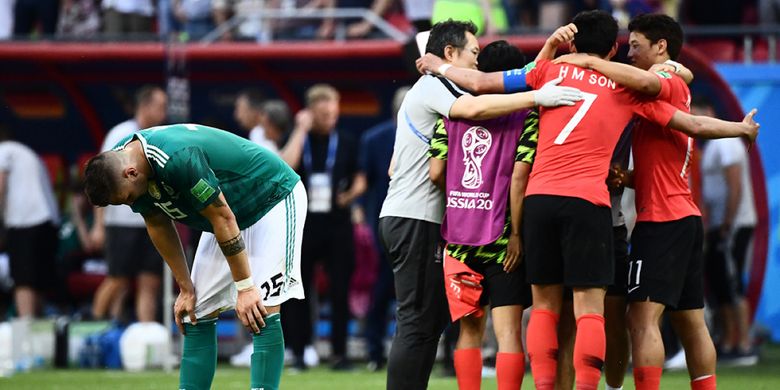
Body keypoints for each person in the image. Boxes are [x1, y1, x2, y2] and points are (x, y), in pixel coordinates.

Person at [417, 11, 759, 390]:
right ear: (613, 48)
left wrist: (438, 67)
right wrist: (738, 128)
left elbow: (480, 81)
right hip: (589, 203)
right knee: (590, 312)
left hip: (540, 200)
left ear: (574, 44)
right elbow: (688, 122)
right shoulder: (624, 88)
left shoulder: (547, 72)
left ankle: (546, 385)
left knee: (544, 309)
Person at [552, 13, 759, 390]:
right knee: (690, 321)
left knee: (641, 319)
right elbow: (678, 142)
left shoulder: (659, 83)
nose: (629, 54)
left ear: (661, 47)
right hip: (684, 217)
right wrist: (627, 179)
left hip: (661, 223)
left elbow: (690, 121)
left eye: (635, 46)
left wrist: (587, 60)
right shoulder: (674, 82)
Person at [378, 18, 584, 390]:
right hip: (425, 220)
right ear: (450, 54)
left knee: (436, 324)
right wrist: (537, 97)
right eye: (473, 53)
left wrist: (548, 52)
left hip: (446, 229)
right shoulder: (440, 88)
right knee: (419, 322)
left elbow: (435, 167)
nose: (477, 64)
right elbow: (479, 108)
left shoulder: (443, 98)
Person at [83, 123, 307, 390]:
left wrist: (245, 287)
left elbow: (222, 218)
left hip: (272, 198)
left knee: (261, 307)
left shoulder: (179, 158)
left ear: (131, 173)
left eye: (128, 197)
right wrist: (185, 287)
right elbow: (156, 222)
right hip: (226, 215)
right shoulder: (122, 162)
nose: (131, 203)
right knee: (196, 311)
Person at [428, 39, 533, 390]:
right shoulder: (527, 116)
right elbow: (519, 177)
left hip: (459, 237)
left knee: (469, 331)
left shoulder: (452, 113)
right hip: (503, 239)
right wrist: (518, 233)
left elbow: (436, 172)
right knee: (507, 333)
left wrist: (460, 199)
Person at [283, 84, 366, 371]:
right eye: (323, 113)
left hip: (337, 224)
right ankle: (299, 352)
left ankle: (339, 353)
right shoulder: (299, 139)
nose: (330, 117)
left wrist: (351, 195)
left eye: (334, 112)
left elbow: (360, 176)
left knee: (340, 289)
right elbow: (284, 166)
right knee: (298, 291)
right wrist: (300, 130)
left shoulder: (346, 140)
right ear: (310, 113)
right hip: (303, 226)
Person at [90, 85, 168, 323]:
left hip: (152, 219)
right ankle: (91, 330)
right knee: (117, 279)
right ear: (144, 106)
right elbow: (100, 179)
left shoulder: (161, 135)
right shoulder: (120, 134)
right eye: (160, 107)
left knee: (150, 281)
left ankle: (145, 335)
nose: (165, 113)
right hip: (122, 222)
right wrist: (98, 225)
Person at [695, 96, 759, 366]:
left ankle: (744, 344)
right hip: (718, 226)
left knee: (733, 285)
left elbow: (735, 185)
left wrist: (727, 223)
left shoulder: (727, 142)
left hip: (732, 225)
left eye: (694, 113)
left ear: (709, 111)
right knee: (720, 284)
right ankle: (730, 340)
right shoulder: (711, 146)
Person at [358, 85, 408, 371]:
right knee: (380, 292)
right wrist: (359, 215)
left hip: (412, 225)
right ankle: (374, 352)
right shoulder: (375, 139)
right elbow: (366, 183)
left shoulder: (433, 135)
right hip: (385, 227)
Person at [0, 125, 60, 319]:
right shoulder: (28, 153)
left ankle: (25, 329)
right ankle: (38, 327)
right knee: (38, 280)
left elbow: (0, 186)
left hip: (25, 221)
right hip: (48, 222)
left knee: (23, 280)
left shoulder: (4, 151)